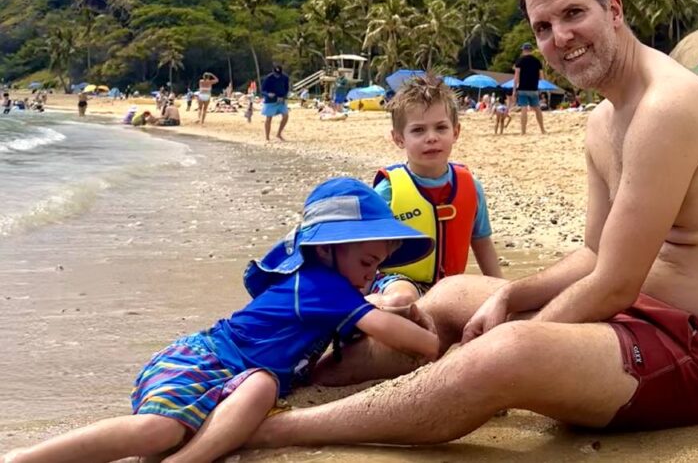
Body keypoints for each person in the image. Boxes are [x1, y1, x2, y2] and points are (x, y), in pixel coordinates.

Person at [247, 0, 698, 451]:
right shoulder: (605, 120)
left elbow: (614, 283)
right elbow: (595, 255)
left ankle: (275, 430)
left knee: (504, 352)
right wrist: (510, 297)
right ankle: (289, 379)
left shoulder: (666, 109)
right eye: (543, 27)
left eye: (573, 14)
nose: (561, 37)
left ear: (613, 10)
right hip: (638, 316)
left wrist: (515, 335)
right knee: (452, 297)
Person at [3, 178, 438, 463]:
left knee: (263, 384)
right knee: (158, 430)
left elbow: (380, 306)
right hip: (202, 359)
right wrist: (430, 337)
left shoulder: (336, 290)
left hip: (243, 373)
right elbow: (405, 338)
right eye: (366, 262)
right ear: (325, 250)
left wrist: (390, 296)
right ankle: (28, 458)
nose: (371, 275)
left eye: (378, 267)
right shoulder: (320, 286)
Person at [367, 75, 504, 310]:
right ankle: (360, 310)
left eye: (441, 127)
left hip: (450, 286)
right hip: (397, 282)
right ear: (399, 138)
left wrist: (503, 293)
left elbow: (482, 245)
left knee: (492, 300)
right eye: (418, 130)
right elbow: (363, 251)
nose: (431, 137)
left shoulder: (470, 187)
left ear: (456, 132)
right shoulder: (388, 191)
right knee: (404, 300)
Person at [513, 43, 546, 135]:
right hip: (534, 88)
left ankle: (523, 131)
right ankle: (542, 129)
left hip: (523, 88)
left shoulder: (520, 61)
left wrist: (514, 90)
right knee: (537, 109)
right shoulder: (537, 61)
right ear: (531, 50)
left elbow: (516, 77)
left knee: (524, 109)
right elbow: (541, 77)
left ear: (523, 50)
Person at [261, 65, 290, 142]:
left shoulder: (285, 77)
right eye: (276, 74)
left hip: (281, 99)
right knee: (269, 118)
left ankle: (279, 133)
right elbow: (263, 90)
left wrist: (284, 97)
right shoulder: (268, 78)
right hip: (270, 100)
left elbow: (287, 89)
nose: (277, 76)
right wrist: (268, 94)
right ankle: (267, 137)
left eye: (279, 74)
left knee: (286, 116)